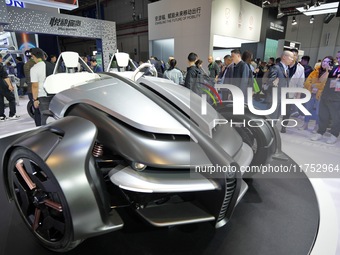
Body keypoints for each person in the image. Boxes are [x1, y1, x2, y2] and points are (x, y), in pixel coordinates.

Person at [311, 51, 340, 144]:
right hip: (325, 96)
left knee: (336, 118)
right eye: (337, 58)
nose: (337, 60)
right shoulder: (334, 68)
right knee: (323, 115)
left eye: (339, 58)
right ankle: (320, 132)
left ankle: (334, 135)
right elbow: (321, 80)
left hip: (337, 99)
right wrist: (327, 71)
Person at [300, 56, 333, 132]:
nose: (325, 63)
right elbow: (307, 82)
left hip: (321, 95)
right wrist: (311, 86)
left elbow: (325, 84)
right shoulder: (315, 71)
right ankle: (305, 124)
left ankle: (316, 126)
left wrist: (316, 86)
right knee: (307, 109)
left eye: (328, 62)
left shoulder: (330, 73)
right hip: (311, 93)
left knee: (319, 112)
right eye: (324, 61)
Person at [280, 48, 305, 133]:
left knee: (287, 110)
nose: (292, 57)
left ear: (297, 56)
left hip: (291, 92)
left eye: (294, 55)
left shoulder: (300, 68)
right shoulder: (283, 65)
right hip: (280, 90)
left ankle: (284, 126)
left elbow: (301, 82)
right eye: (291, 55)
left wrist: (298, 94)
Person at [266, 50, 294, 120]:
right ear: (284, 57)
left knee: (276, 117)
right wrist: (273, 81)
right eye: (291, 57)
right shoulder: (276, 67)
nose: (292, 59)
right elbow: (270, 80)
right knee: (272, 118)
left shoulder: (286, 69)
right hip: (275, 97)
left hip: (282, 98)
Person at [30, 48, 52, 126]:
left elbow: (35, 85)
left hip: (43, 96)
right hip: (56, 95)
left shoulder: (35, 68)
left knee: (45, 117)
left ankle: (46, 135)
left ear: (33, 56)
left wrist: (35, 99)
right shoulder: (52, 65)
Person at [0, 54, 20, 121]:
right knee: (11, 99)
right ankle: (12, 114)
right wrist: (10, 85)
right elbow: (5, 77)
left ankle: (1, 116)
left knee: (0, 101)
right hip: (2, 85)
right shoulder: (1, 66)